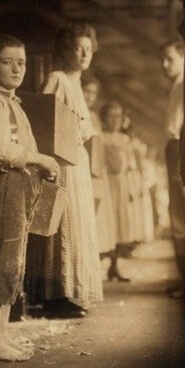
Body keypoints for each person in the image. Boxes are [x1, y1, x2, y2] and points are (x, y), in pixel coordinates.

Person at [0, 34, 60, 361]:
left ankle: (1, 337)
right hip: (1, 187)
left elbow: (22, 148)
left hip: (17, 188)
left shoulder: (11, 104)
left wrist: (41, 166)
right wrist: (39, 160)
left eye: (20, 62)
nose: (16, 69)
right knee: (1, 260)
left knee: (12, 263)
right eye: (6, 62)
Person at [28, 24, 104, 317]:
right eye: (77, 48)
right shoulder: (57, 79)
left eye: (88, 48)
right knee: (61, 226)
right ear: (64, 50)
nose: (84, 54)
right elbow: (42, 120)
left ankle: (71, 292)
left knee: (77, 226)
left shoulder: (77, 84)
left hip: (79, 164)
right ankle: (54, 297)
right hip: (62, 162)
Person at [161, 39, 185, 299]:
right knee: (179, 213)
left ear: (184, 57)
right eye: (163, 60)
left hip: (181, 147)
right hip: (176, 146)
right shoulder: (180, 83)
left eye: (169, 59)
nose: (164, 65)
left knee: (183, 215)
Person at [82, 77, 119, 267]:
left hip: (98, 170)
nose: (90, 97)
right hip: (85, 169)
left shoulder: (94, 117)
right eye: (86, 91)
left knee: (102, 214)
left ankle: (101, 262)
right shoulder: (78, 112)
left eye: (93, 94)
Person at [101, 101, 137, 282]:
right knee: (106, 221)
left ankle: (114, 266)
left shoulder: (124, 140)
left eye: (118, 116)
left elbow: (130, 166)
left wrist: (132, 188)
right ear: (104, 118)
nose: (115, 120)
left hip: (121, 184)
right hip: (106, 182)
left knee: (119, 222)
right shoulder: (100, 137)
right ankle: (101, 265)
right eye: (111, 116)